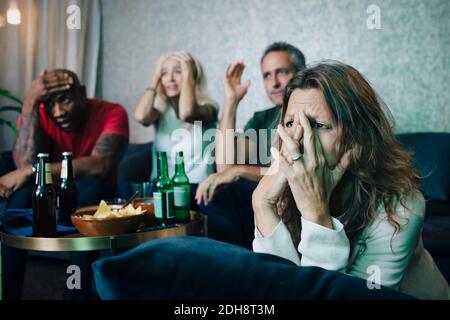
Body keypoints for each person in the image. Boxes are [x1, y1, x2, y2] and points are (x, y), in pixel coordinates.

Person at [252, 61, 450, 299]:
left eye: (317, 124)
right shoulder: (282, 194)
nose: (297, 140)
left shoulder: (401, 207)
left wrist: (316, 215)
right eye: (290, 123)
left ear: (356, 140)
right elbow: (280, 287)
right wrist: (262, 206)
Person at [0, 69, 129, 300]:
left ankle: (75, 295)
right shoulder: (38, 113)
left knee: (89, 187)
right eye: (49, 103)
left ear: (82, 93)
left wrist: (32, 170)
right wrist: (30, 101)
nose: (58, 112)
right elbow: (24, 163)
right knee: (19, 199)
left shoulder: (112, 111)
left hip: (94, 195)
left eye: (66, 100)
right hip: (49, 193)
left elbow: (101, 165)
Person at [195, 42, 305, 248]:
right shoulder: (262, 119)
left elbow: (297, 171)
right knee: (218, 190)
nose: (274, 83)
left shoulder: (310, 114)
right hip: (262, 199)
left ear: (300, 73)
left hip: (294, 198)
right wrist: (231, 101)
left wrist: (241, 171)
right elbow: (225, 169)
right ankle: (231, 268)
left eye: (281, 72)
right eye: (267, 75)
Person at [134, 50, 217, 194]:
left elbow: (187, 113)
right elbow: (141, 116)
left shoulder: (209, 108)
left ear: (192, 76)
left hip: (197, 192)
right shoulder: (160, 112)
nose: (170, 78)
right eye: (164, 73)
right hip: (162, 191)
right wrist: (155, 77)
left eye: (179, 71)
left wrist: (189, 74)